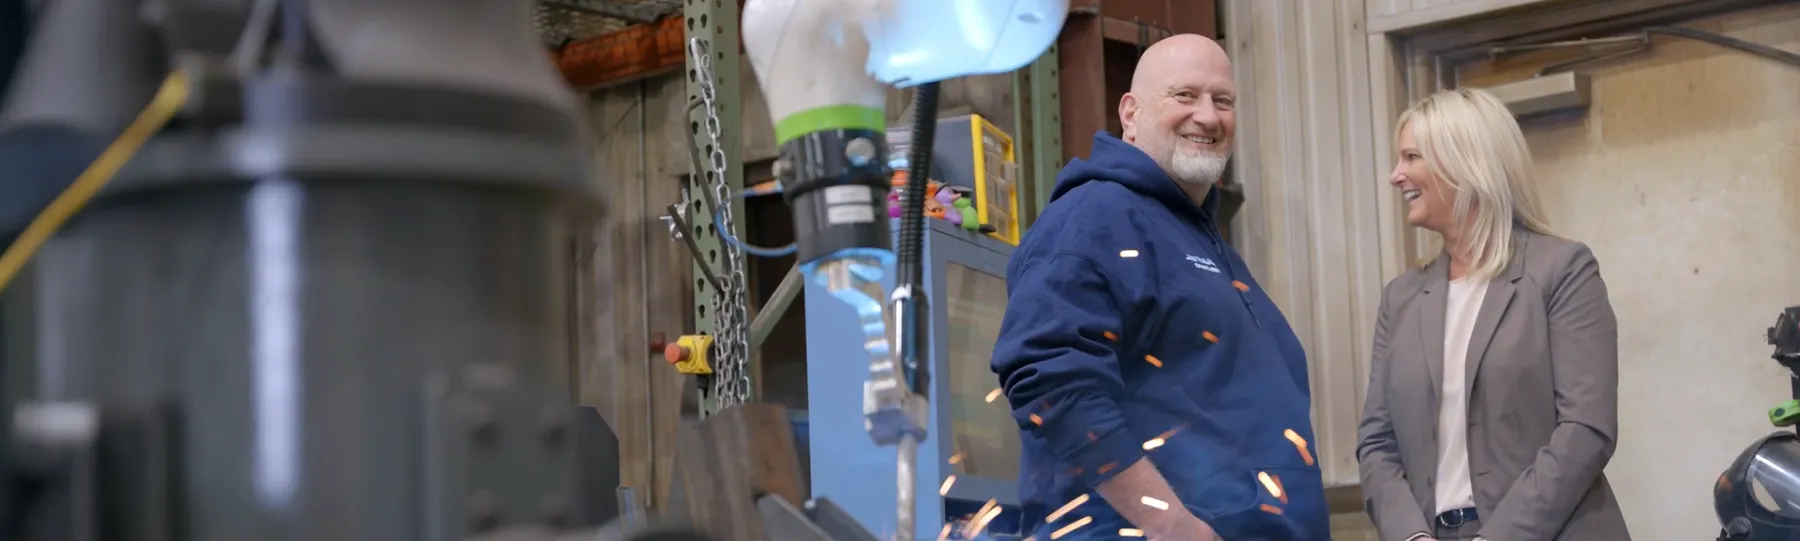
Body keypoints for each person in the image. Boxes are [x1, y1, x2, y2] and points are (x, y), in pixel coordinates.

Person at [989, 34, 1329, 541]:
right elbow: (1052, 382)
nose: (1209, 116)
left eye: (1224, 101)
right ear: (1130, 113)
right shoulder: (1096, 216)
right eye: (1184, 96)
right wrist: (1166, 521)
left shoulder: (1204, 243)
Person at [1356, 88, 1630, 541]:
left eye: (1410, 157)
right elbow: (1376, 443)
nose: (1395, 175)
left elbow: (1586, 428)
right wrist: (1412, 536)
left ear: (1463, 163)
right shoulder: (1399, 299)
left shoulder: (1563, 271)